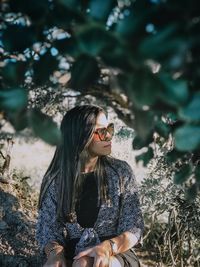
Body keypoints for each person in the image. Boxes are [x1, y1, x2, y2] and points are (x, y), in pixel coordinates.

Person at [36, 104, 144, 267]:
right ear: (80, 136)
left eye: (109, 129)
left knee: (85, 264)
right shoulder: (56, 180)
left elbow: (135, 228)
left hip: (117, 253)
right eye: (101, 131)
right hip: (74, 254)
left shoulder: (121, 172)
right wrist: (54, 254)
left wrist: (107, 247)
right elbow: (48, 230)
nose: (109, 136)